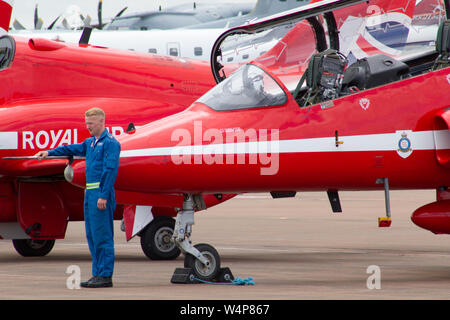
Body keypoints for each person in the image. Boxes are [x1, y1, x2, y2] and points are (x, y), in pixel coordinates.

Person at [35, 107, 121, 288]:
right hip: (89, 194)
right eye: (86, 123)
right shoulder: (90, 143)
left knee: (102, 235)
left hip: (100, 192)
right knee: (91, 235)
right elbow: (70, 148)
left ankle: (105, 275)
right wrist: (49, 153)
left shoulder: (111, 143)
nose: (88, 126)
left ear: (101, 122)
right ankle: (97, 273)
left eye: (90, 123)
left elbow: (110, 170)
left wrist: (104, 195)